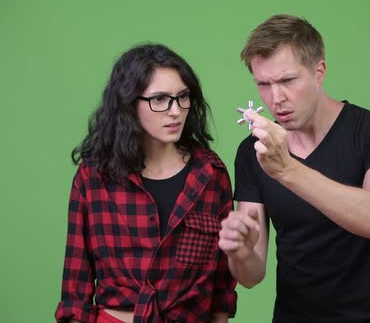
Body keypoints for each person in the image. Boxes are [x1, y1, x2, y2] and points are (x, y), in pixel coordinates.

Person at [218, 15, 370, 323]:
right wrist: (240, 251)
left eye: (287, 81)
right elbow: (251, 275)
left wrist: (287, 170)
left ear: (318, 71)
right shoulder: (254, 152)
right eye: (263, 85)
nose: (276, 98)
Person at [55, 44, 237, 323]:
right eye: (160, 99)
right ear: (129, 103)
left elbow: (222, 285)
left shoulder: (210, 174)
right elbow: (75, 290)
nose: (175, 111)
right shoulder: (93, 177)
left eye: (183, 97)